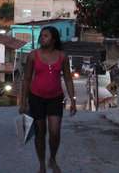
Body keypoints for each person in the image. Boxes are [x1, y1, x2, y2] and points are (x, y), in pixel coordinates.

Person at [19, 27, 76, 173]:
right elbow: (26, 79)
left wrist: (73, 99)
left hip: (55, 98)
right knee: (40, 132)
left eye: (46, 36)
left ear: (54, 39)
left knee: (55, 132)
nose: (42, 38)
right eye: (41, 36)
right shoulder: (33, 55)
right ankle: (42, 164)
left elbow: (68, 79)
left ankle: (52, 159)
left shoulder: (62, 56)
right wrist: (23, 101)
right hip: (36, 97)